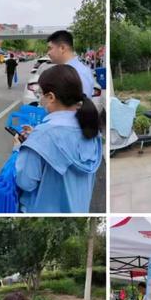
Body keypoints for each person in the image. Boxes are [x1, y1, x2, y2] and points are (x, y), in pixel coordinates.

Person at [14, 64, 102, 213]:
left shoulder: (42, 135)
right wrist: (36, 140)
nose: (39, 98)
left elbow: (25, 182)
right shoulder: (90, 129)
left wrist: (18, 149)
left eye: (40, 93)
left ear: (51, 97)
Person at [47, 30, 94, 99]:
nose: (48, 53)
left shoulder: (78, 73)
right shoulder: (70, 70)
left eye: (50, 48)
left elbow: (80, 106)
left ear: (62, 48)